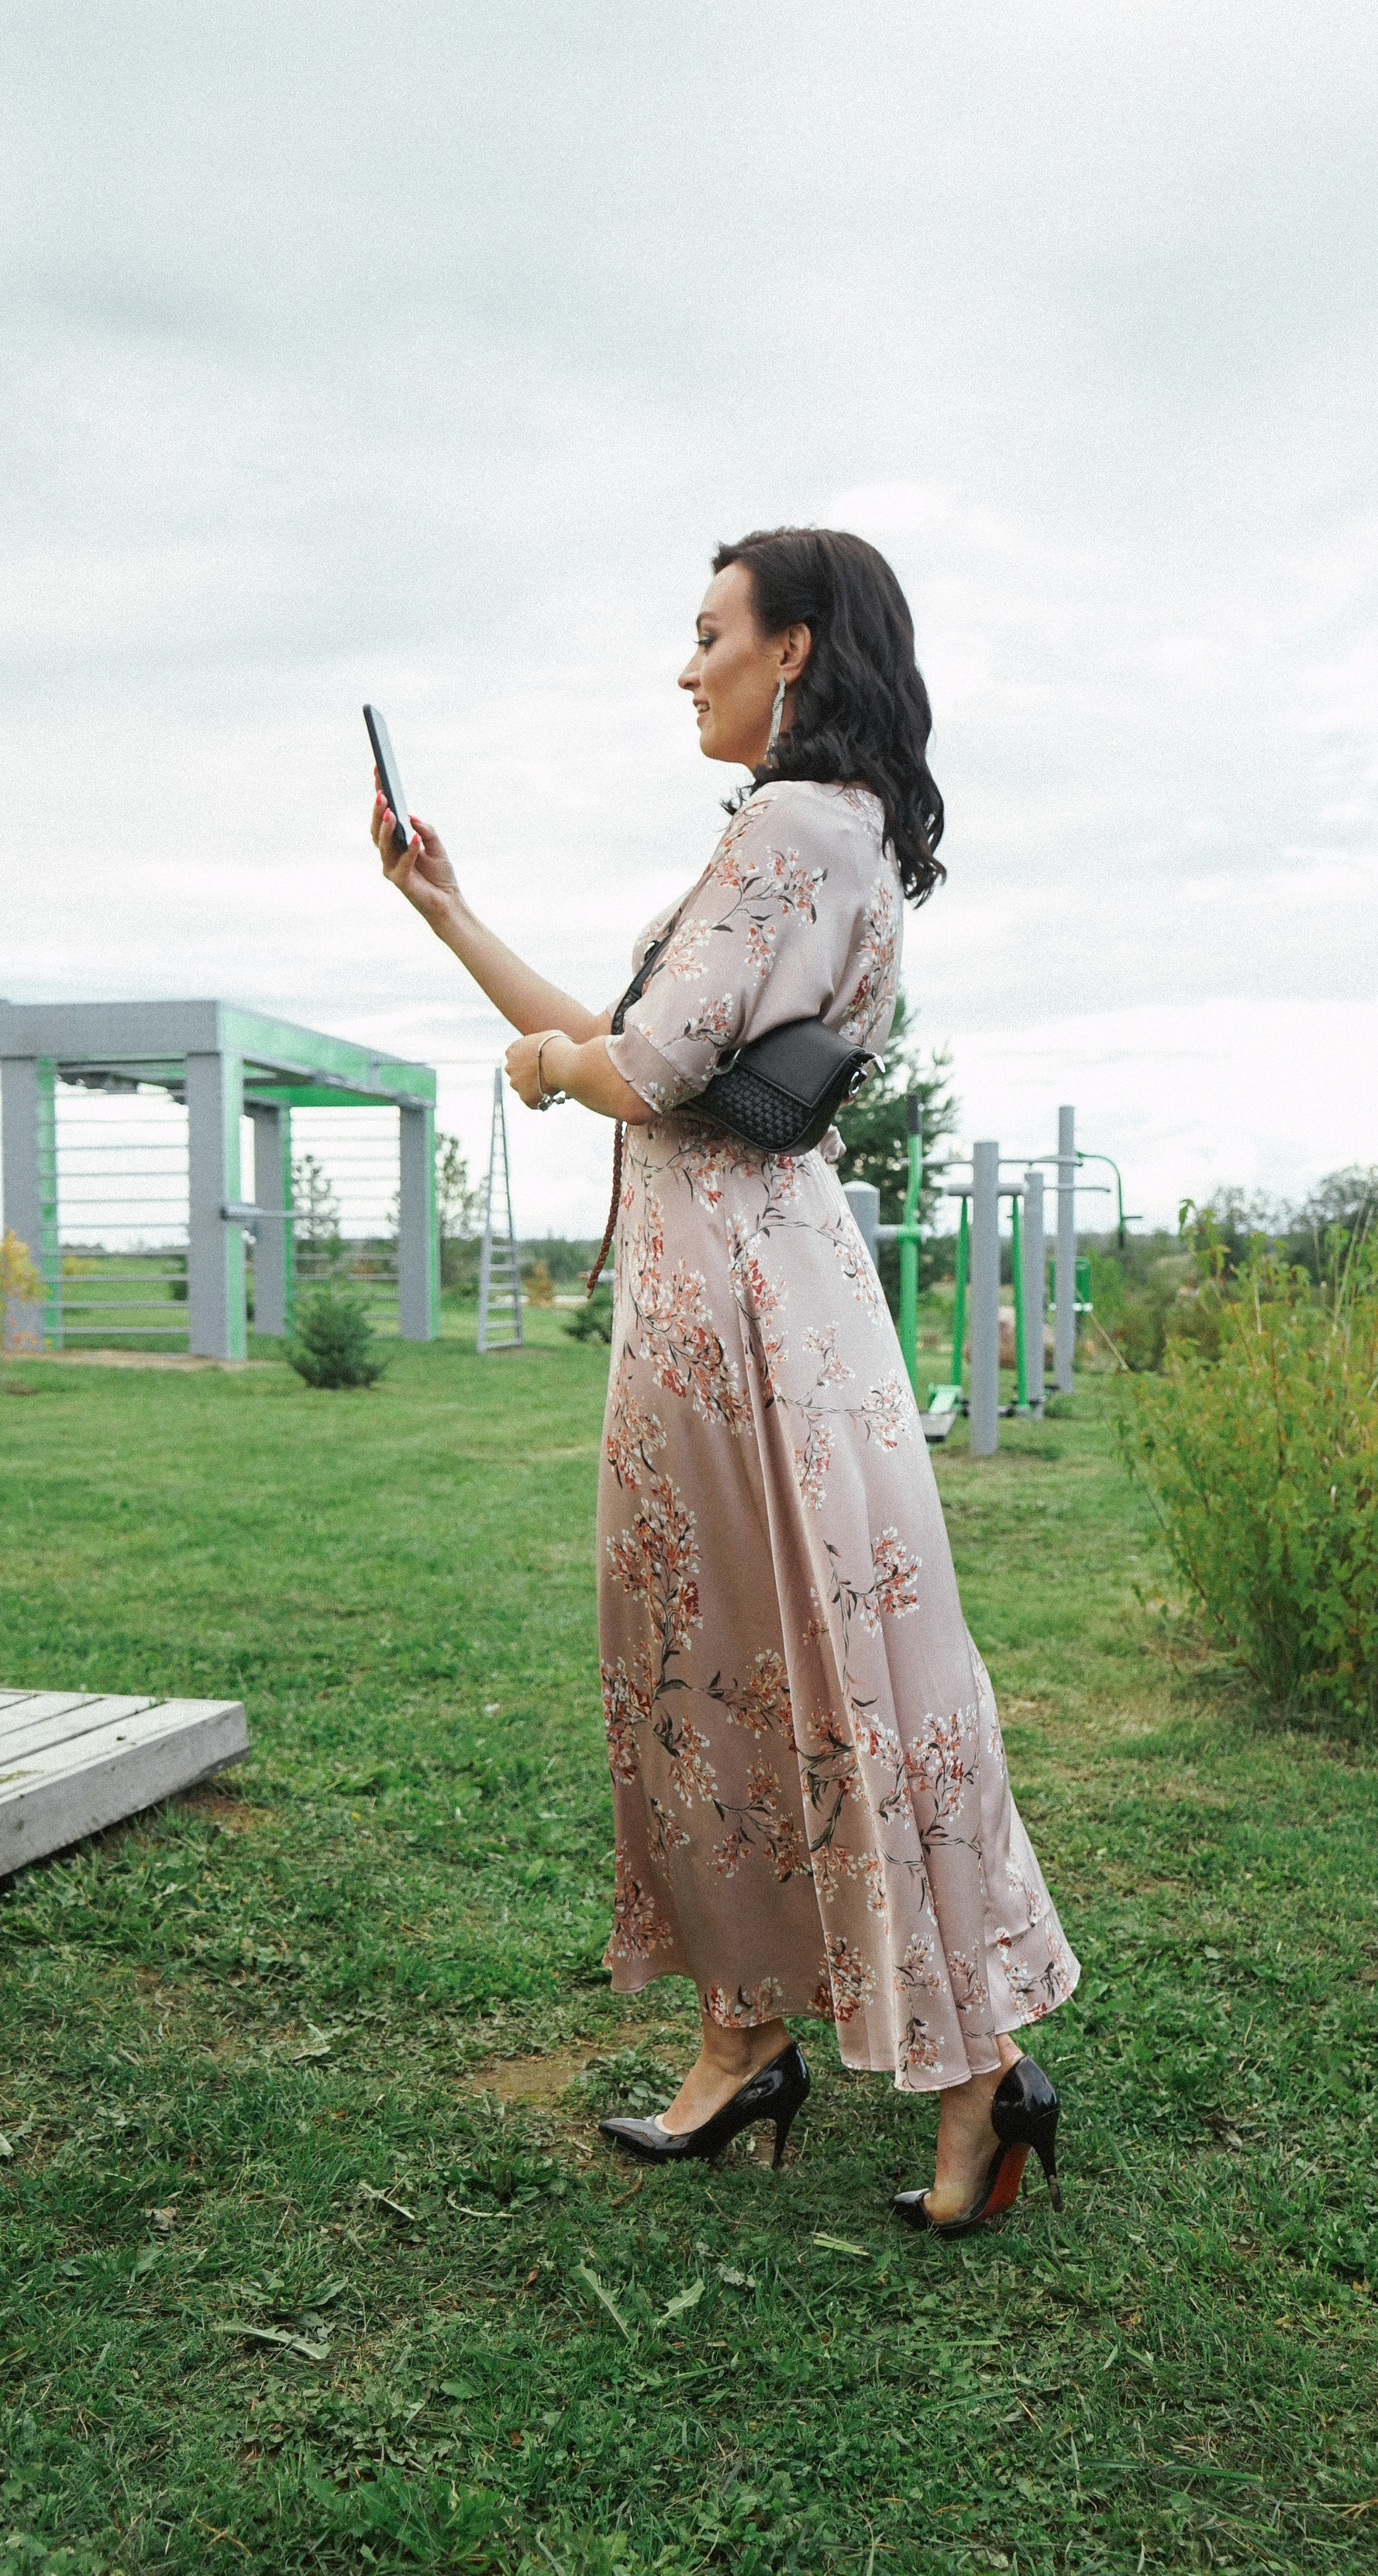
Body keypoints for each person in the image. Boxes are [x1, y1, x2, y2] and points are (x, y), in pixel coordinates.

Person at [374, 526, 1078, 2231]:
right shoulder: (827, 841)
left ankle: (956, 2064)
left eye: (708, 634)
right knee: (757, 1676)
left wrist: (547, 1070)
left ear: (796, 650)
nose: (683, 666)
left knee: (764, 1675)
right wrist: (449, 912)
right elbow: (654, 1059)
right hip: (756, 1308)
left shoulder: (785, 827)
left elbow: (642, 1064)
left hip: (740, 1332)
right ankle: (749, 2036)